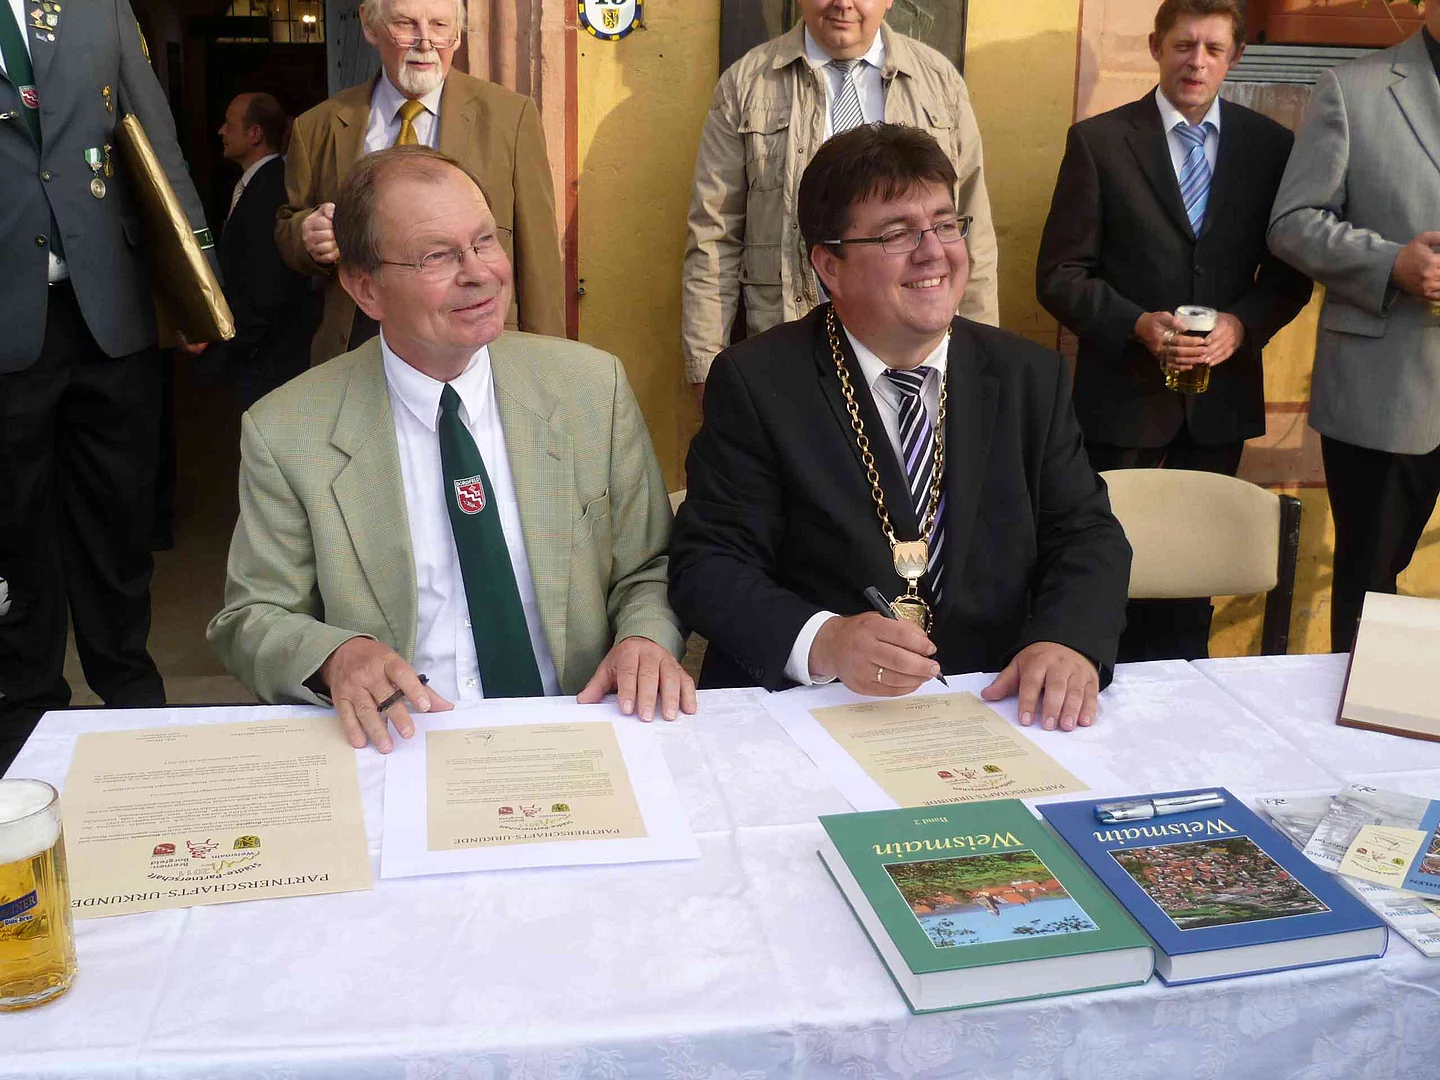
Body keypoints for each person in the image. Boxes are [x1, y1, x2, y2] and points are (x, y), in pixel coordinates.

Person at [208, 146, 692, 752]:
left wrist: (644, 638)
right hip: (398, 741)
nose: (479, 273)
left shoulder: (590, 389)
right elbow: (252, 615)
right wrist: (337, 655)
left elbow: (650, 566)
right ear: (365, 288)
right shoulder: (288, 429)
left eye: (484, 241)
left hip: (576, 725)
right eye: (437, 255)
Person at [669, 124, 1131, 733]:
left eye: (945, 224)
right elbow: (709, 563)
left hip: (990, 703)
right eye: (896, 234)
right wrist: (825, 640)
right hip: (819, 712)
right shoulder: (758, 381)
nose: (933, 251)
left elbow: (1086, 535)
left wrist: (1066, 639)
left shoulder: (1027, 375)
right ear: (830, 265)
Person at [1035, 0, 1311, 661]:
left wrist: (1241, 326)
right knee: (1104, 563)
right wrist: (1136, 324)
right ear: (1156, 45)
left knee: (1193, 581)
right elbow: (1059, 275)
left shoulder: (1271, 147)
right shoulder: (1099, 142)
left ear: (1236, 57)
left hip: (1219, 407)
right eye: (1184, 45)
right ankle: (1097, 680)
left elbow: (1289, 277)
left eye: (1214, 49)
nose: (1197, 62)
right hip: (1122, 404)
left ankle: (1185, 689)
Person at [0, 0, 214, 771]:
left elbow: (155, 139)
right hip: (7, 321)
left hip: (108, 310)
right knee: (13, 528)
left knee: (118, 518)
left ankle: (130, 697)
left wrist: (197, 282)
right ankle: (24, 715)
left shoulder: (100, 9)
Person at [682, 0, 998, 402]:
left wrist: (980, 355)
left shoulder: (937, 83)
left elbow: (972, 225)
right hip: (790, 338)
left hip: (915, 347)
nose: (843, 4)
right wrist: (706, 365)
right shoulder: (748, 84)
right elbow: (714, 233)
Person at [1268, 10, 1440, 653]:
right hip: (1384, 385)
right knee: (1370, 585)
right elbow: (1292, 223)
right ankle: (1361, 712)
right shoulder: (1351, 88)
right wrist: (1390, 263)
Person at [276, 0, 564, 366]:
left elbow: (538, 257)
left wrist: (548, 362)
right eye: (406, 24)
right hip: (361, 345)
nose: (425, 42)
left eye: (440, 26)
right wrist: (306, 234)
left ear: (457, 36)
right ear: (369, 25)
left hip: (476, 346)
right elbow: (288, 227)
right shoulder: (317, 126)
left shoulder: (511, 117)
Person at [214, 91, 317, 408]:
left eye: (229, 124)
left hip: (268, 362)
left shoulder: (270, 190)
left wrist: (235, 345)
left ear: (255, 133)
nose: (221, 131)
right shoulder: (255, 184)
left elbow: (266, 286)